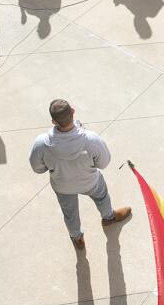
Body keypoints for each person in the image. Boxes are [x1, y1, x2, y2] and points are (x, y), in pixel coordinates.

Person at [28, 99, 132, 249]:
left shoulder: (41, 144)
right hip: (91, 182)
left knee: (70, 214)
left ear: (53, 121)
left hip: (62, 186)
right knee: (102, 197)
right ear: (73, 111)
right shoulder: (91, 139)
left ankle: (77, 238)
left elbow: (37, 168)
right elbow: (104, 163)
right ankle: (109, 217)